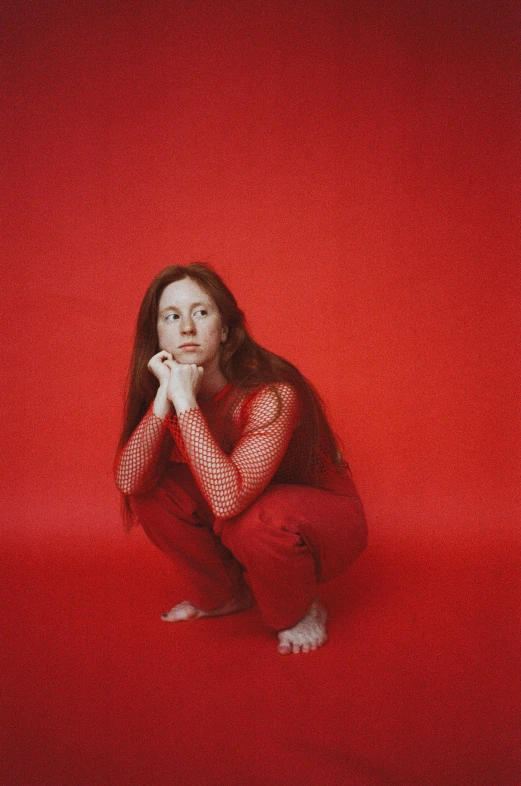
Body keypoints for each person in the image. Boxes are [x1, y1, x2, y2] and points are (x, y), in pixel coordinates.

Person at [115, 263, 367, 654]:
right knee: (152, 489)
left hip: (325, 520)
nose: (186, 328)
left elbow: (227, 500)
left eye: (201, 312)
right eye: (172, 316)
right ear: (157, 334)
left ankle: (301, 609)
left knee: (250, 520)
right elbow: (130, 482)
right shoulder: (175, 389)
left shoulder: (273, 393)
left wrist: (183, 402)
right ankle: (225, 595)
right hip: (250, 509)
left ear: (227, 331)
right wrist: (165, 400)